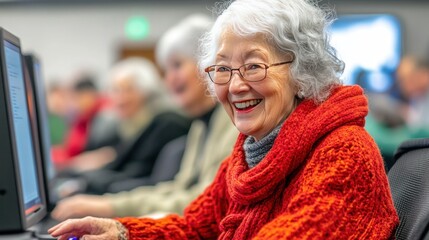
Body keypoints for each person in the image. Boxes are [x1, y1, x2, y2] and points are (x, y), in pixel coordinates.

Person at [49, 0, 398, 239]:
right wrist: (121, 231)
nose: (235, 86)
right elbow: (195, 228)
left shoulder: (344, 153)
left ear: (301, 70)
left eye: (253, 66)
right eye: (223, 69)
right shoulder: (249, 154)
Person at [51, 14, 238, 220]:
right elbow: (178, 189)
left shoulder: (232, 123)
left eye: (177, 65)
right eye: (166, 70)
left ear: (207, 65)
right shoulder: (201, 124)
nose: (169, 79)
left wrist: (110, 208)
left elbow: (203, 202)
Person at [55, 58, 192, 195]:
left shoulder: (166, 125)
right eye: (116, 90)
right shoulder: (128, 126)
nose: (120, 98)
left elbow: (141, 176)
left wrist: (85, 185)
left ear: (146, 92)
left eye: (128, 90)